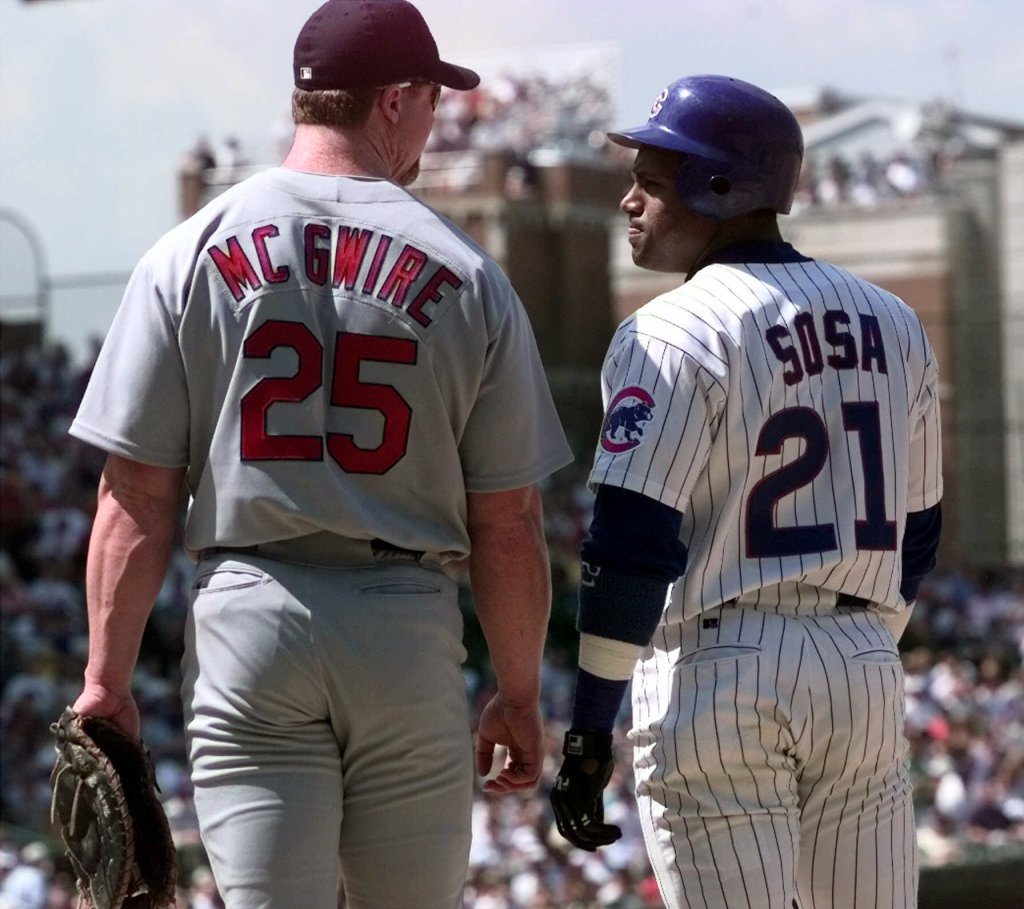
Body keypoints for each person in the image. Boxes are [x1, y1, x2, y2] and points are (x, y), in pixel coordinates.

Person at [66, 2, 573, 907]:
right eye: (431, 99)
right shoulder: (466, 271)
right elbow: (509, 519)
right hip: (402, 621)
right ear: (392, 101)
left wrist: (106, 680)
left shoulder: (189, 251)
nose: (436, 118)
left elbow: (134, 494)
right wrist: (520, 691)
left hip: (250, 618)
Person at [550, 74, 943, 909]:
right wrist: (860, 631)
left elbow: (629, 541)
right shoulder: (893, 320)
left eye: (651, 182)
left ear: (718, 187)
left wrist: (590, 726)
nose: (629, 201)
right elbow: (921, 529)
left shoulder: (672, 327)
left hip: (719, 664)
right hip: (860, 660)